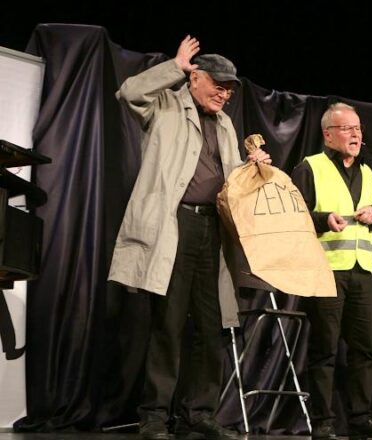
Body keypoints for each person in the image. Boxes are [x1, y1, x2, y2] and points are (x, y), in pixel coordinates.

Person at [108, 36, 269, 440]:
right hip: (175, 224)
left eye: (230, 88)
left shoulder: (227, 124)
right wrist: (174, 66)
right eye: (218, 83)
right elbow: (128, 92)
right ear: (195, 77)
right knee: (169, 322)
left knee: (212, 325)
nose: (225, 93)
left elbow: (230, 181)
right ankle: (155, 415)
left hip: (212, 229)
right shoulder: (165, 105)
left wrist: (254, 170)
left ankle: (199, 412)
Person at [290, 102, 372, 440]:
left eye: (358, 129)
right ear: (328, 134)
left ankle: (360, 419)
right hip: (325, 271)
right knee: (325, 349)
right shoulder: (310, 167)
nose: (355, 134)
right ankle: (323, 421)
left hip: (361, 272)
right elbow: (292, 216)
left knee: (364, 349)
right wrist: (323, 219)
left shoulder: (368, 172)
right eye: (347, 129)